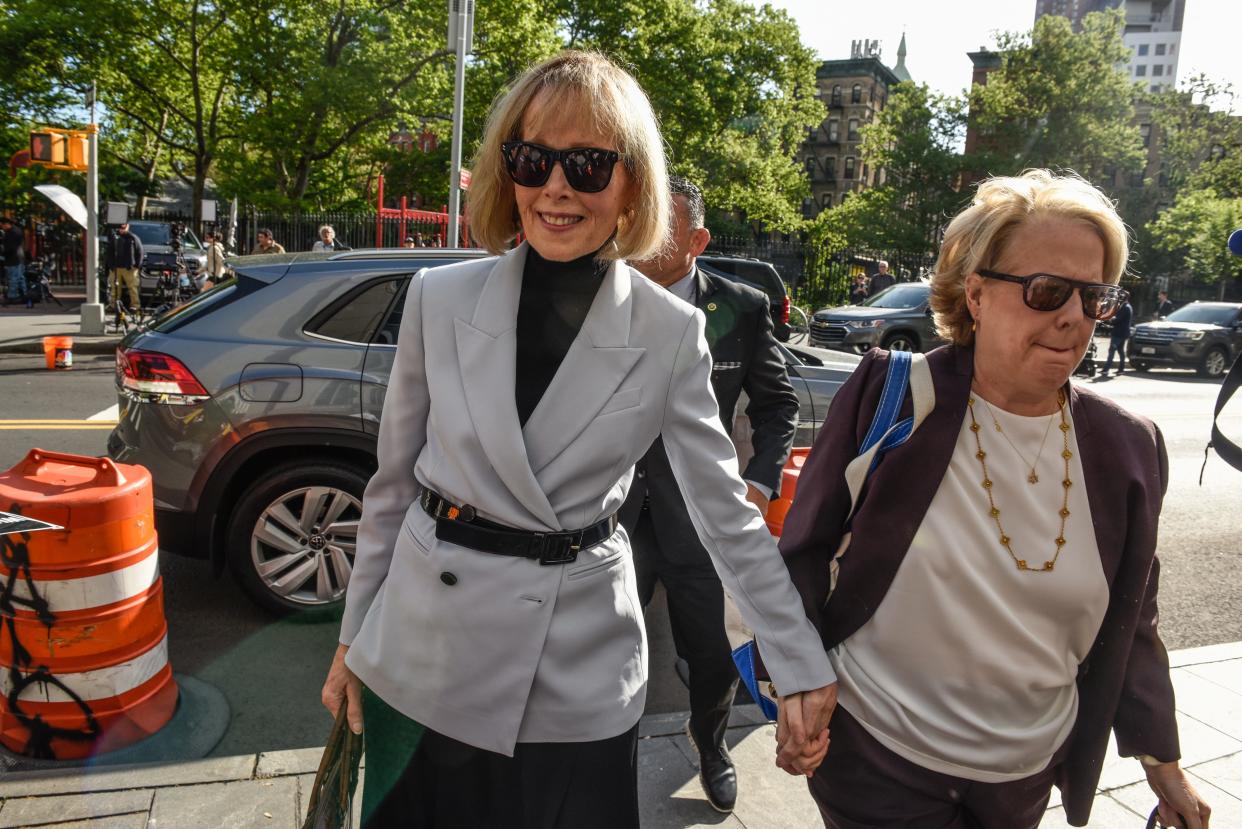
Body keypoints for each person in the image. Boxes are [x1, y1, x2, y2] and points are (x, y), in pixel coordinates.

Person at [319, 50, 836, 829]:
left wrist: (796, 656)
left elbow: (723, 513)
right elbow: (393, 487)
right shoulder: (438, 297)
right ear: (508, 172)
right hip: (421, 653)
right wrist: (354, 635)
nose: (556, 186)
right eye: (533, 159)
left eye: (589, 164)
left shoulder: (669, 332)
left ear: (631, 184)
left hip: (576, 669)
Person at [779, 170, 1210, 829]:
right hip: (877, 762)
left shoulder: (1130, 447)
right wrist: (795, 682)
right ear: (976, 293)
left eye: (1095, 297)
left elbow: (1134, 618)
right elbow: (803, 553)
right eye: (1046, 291)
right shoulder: (894, 396)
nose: (1073, 315)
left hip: (1023, 780)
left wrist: (1163, 763)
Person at [620, 176, 799, 814]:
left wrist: (758, 482)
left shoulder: (742, 307)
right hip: (612, 517)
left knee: (712, 648)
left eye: (661, 226)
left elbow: (778, 404)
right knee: (607, 642)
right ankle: (606, 753)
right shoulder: (604, 292)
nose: (640, 235)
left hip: (699, 514)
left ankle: (711, 743)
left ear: (696, 239)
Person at [107, 222, 144, 313]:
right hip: (116, 267)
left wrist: (137, 266)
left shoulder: (133, 238)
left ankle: (135, 306)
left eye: (124, 227)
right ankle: (113, 305)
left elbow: (140, 252)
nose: (122, 229)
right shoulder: (114, 238)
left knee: (132, 288)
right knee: (115, 288)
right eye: (120, 227)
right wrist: (111, 265)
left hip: (129, 267)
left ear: (128, 227)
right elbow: (109, 252)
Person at [1101, 296, 1133, 376]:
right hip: (1122, 333)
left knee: (1112, 350)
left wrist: (1110, 319)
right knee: (1121, 351)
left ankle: (1106, 369)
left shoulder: (1125, 308)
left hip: (1118, 333)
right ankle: (1121, 369)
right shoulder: (1127, 307)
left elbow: (1118, 320)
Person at [1, 217, 28, 308]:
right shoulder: (16, 231)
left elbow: (10, 247)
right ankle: (23, 295)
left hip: (13, 259)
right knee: (19, 277)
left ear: (6, 224)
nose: (2, 227)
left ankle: (13, 296)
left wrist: (3, 252)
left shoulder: (12, 232)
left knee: (13, 278)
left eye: (2, 225)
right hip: (17, 257)